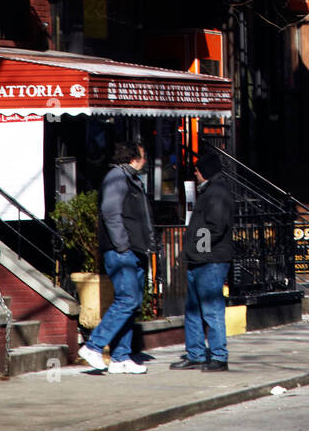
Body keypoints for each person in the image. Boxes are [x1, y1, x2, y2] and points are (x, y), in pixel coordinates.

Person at [79, 141, 155, 375]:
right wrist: (122, 246)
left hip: (135, 250)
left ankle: (121, 357)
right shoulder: (117, 177)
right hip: (123, 251)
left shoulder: (132, 179)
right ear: (134, 158)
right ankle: (93, 346)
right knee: (127, 300)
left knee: (131, 304)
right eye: (143, 157)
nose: (145, 161)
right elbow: (111, 212)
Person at [170, 149, 234, 371]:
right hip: (201, 260)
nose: (195, 173)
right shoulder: (210, 191)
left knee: (211, 309)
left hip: (210, 262)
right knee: (193, 310)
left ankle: (218, 356)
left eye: (197, 170)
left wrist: (197, 250)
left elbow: (215, 228)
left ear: (206, 171)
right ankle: (196, 354)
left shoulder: (216, 193)